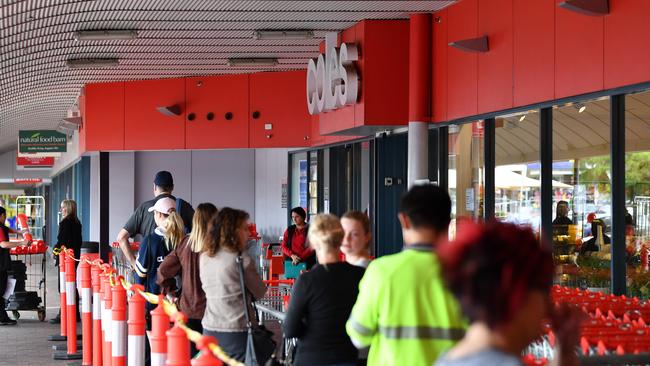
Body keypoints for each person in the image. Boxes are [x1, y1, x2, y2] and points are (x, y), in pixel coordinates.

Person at [346, 185, 466, 366]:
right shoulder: (467, 274)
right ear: (448, 223)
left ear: (404, 221)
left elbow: (359, 337)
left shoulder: (381, 271)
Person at [435, 221, 581, 366]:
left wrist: (565, 352)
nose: (549, 307)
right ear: (518, 295)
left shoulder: (444, 361)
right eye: (543, 290)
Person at [283, 214, 365, 366]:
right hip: (347, 356)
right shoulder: (360, 275)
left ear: (313, 243)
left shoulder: (306, 281)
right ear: (341, 239)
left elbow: (290, 329)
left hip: (311, 357)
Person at [200, 207, 267, 361]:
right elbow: (260, 292)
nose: (249, 233)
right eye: (244, 229)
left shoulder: (205, 257)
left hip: (209, 327)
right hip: (237, 330)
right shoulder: (241, 259)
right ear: (233, 231)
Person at [157, 202, 217, 358]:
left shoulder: (185, 243)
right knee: (213, 357)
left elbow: (163, 271)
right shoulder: (217, 246)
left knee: (191, 357)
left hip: (188, 309)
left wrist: (171, 292)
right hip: (214, 312)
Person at [116, 170, 194, 267]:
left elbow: (121, 237)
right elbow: (199, 235)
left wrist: (134, 264)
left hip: (149, 273)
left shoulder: (144, 208)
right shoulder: (183, 206)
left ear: (154, 187)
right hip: (177, 272)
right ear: (172, 187)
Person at [50, 199, 83, 324]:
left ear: (68, 208)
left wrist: (55, 251)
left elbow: (62, 241)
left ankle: (64, 313)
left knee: (63, 286)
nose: (61, 210)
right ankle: (74, 314)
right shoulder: (77, 222)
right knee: (71, 284)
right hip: (74, 256)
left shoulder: (65, 223)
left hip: (65, 257)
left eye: (63, 207)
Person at [0, 206, 31, 325]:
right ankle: (2, 317)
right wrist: (21, 242)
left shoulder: (2, 227)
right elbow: (3, 244)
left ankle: (3, 316)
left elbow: (8, 230)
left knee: (2, 289)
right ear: (1, 216)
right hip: (1, 264)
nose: (5, 217)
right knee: (1, 290)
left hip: (2, 263)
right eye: (4, 215)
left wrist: (20, 231)